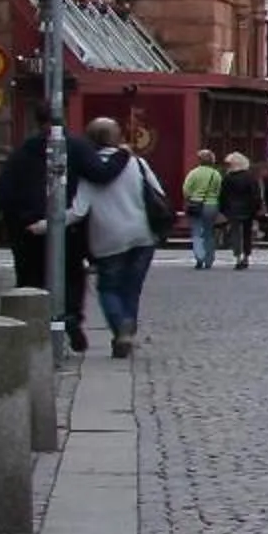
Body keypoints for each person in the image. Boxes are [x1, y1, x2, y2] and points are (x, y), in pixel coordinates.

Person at [0, 96, 116, 352]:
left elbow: (3, 188)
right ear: (64, 117)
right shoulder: (76, 146)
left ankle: (32, 327)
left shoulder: (24, 150)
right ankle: (70, 316)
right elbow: (100, 175)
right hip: (66, 226)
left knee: (30, 277)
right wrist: (122, 157)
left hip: (27, 227)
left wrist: (12, 220)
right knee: (71, 274)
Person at [68, 117, 165, 359]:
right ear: (118, 136)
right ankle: (127, 330)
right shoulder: (137, 163)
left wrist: (47, 223)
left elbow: (78, 210)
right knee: (132, 288)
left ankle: (120, 329)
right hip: (142, 233)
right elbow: (158, 193)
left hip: (108, 237)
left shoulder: (88, 169)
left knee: (109, 287)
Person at [183, 149, 225, 269]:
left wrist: (190, 198)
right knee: (209, 233)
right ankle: (209, 259)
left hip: (196, 204)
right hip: (211, 205)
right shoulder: (215, 174)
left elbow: (186, 190)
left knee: (196, 232)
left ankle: (199, 257)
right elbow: (219, 190)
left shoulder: (193, 173)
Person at [218, 152, 259, 268]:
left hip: (232, 208)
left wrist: (223, 209)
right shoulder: (250, 177)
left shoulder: (228, 178)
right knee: (247, 233)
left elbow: (223, 195)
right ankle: (246, 255)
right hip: (248, 208)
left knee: (235, 232)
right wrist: (256, 208)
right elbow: (255, 194)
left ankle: (238, 256)